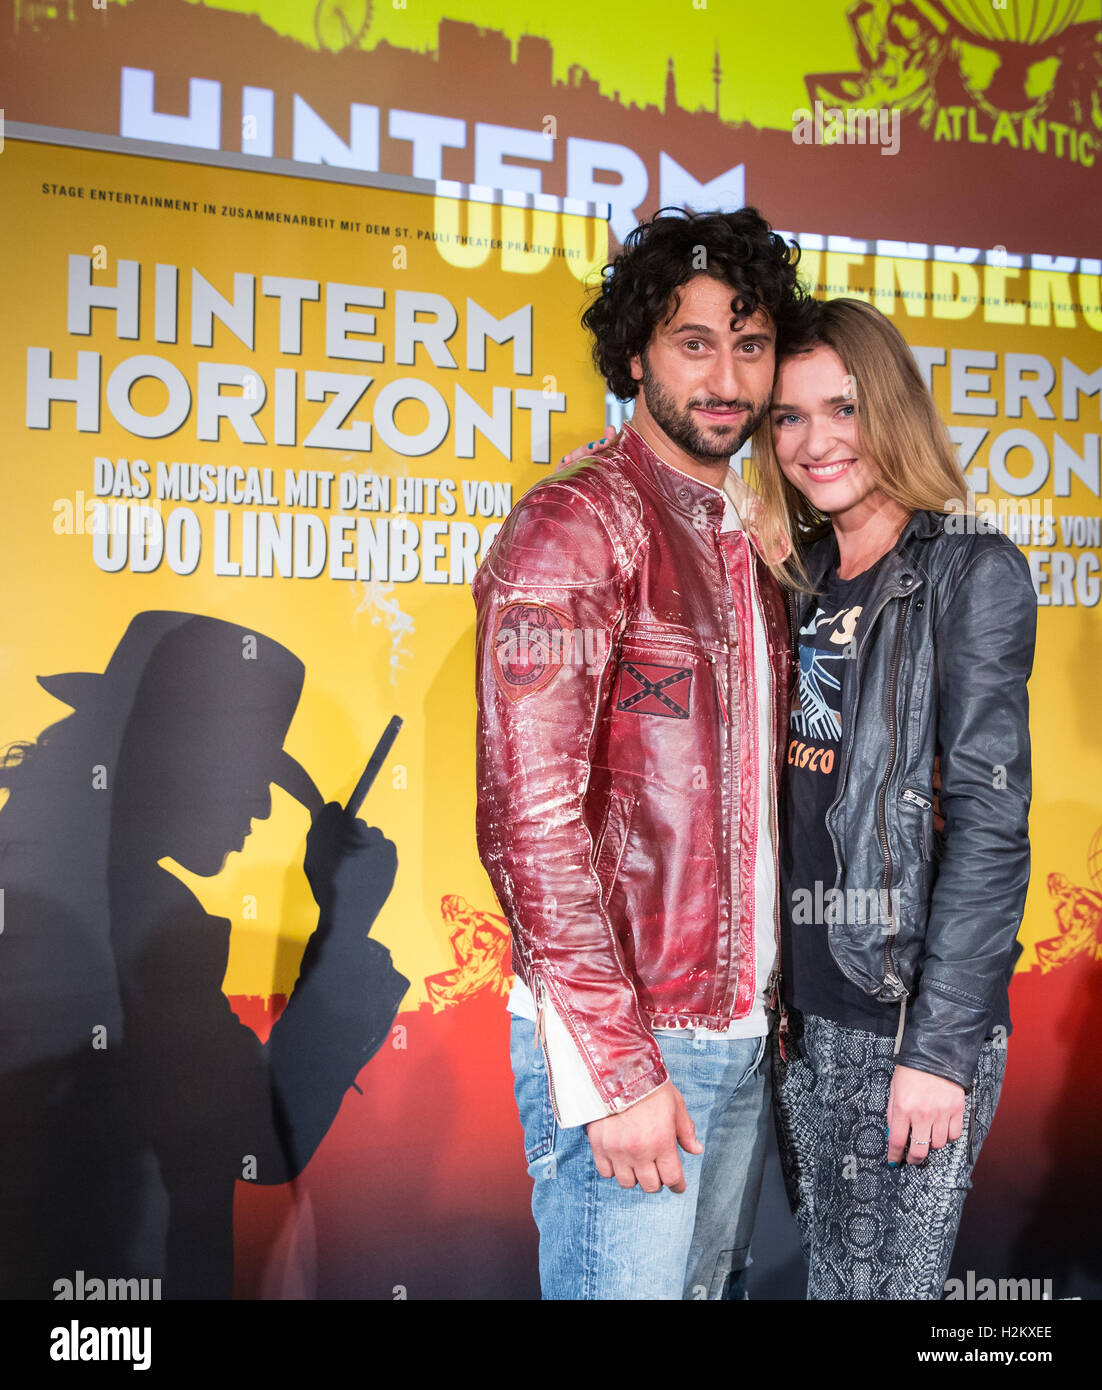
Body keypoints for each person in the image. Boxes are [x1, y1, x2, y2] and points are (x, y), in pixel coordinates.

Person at [472, 207, 810, 1299]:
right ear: (634, 354)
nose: (725, 376)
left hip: (740, 1035)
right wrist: (616, 1071)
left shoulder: (745, 541)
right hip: (635, 1042)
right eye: (692, 341)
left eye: (748, 344)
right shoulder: (575, 523)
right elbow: (527, 823)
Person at [750, 297, 1036, 1299]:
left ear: (896, 410)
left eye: (843, 408)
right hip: (803, 1017)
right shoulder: (800, 578)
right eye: (788, 416)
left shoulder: (968, 571)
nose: (816, 441)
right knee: (837, 1282)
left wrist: (942, 1048)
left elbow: (992, 825)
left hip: (903, 1013)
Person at [0, 611, 409, 1298]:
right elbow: (266, 1137)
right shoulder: (144, 921)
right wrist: (343, 924)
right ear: (175, 761)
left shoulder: (44, 872)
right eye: (245, 776)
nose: (257, 811)